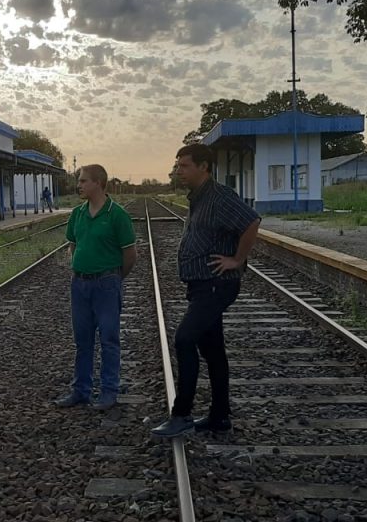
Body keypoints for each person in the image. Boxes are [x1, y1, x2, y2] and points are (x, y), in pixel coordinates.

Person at [151, 144, 261, 438]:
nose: (178, 171)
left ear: (204, 167)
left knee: (185, 339)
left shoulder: (219, 196)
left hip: (216, 284)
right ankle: (219, 416)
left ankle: (182, 415)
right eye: (178, 166)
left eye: (184, 166)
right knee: (213, 351)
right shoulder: (198, 197)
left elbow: (252, 221)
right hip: (202, 285)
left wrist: (237, 259)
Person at [55, 164, 137, 410]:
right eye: (79, 181)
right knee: (82, 340)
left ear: (99, 183)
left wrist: (114, 279)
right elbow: (73, 245)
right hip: (79, 284)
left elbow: (130, 254)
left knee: (109, 339)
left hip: (107, 283)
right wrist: (80, 268)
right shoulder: (78, 213)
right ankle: (81, 391)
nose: (78, 185)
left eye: (83, 181)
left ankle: (108, 392)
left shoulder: (117, 214)